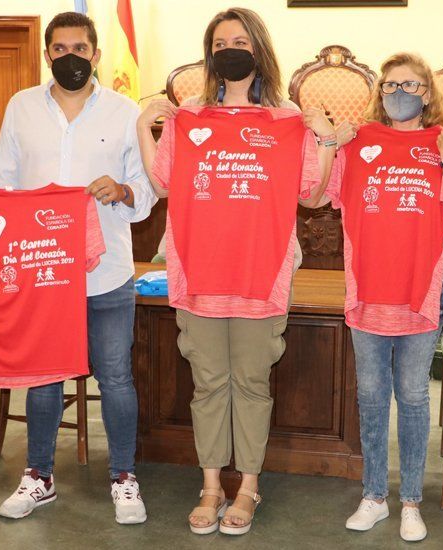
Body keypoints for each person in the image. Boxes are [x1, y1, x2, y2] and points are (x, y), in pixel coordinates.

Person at [137, 7, 335, 536]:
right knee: (207, 385)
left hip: (261, 273)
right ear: (210, 54)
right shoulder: (190, 116)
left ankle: (247, 487)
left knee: (250, 384)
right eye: (221, 41)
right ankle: (209, 486)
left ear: (259, 50)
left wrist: (326, 140)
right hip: (199, 273)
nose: (231, 49)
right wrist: (143, 124)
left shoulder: (288, 119)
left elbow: (313, 196)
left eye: (241, 40)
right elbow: (160, 186)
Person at [0, 12, 156, 525]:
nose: (70, 58)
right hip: (43, 273)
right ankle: (39, 476)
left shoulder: (127, 112)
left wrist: (123, 190)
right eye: (59, 49)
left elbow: (146, 194)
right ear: (47, 55)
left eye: (79, 49)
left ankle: (124, 477)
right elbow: (1, 186)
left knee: (116, 377)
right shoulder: (20, 108)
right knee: (43, 378)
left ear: (96, 54)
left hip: (107, 271)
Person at [321, 53, 443, 542]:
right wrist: (330, 143)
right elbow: (313, 196)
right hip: (368, 289)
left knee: (411, 397)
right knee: (369, 397)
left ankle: (410, 501)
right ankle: (373, 496)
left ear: (427, 91)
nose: (399, 93)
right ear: (378, 92)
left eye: (410, 84)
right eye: (389, 85)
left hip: (425, 288)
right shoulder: (358, 140)